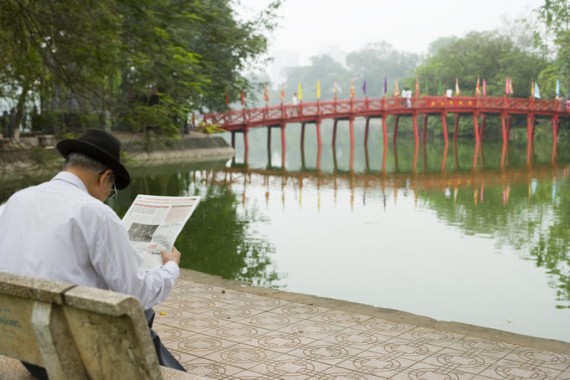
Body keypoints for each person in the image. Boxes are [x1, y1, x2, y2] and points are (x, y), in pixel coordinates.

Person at [0, 129, 185, 378]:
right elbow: (137, 293)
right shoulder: (95, 213)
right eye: (111, 189)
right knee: (137, 311)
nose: (108, 197)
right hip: (73, 352)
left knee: (142, 313)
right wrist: (170, 268)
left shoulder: (16, 201)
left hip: (23, 345)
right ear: (105, 176)